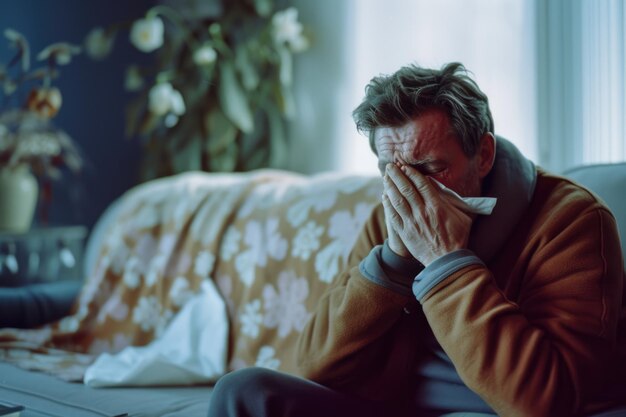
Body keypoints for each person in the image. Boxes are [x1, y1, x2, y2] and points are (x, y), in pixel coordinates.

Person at [208, 62, 626, 417]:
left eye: (429, 168)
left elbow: (543, 401)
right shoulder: (387, 215)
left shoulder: (571, 220)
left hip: (488, 410)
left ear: (482, 155)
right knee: (242, 390)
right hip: (394, 405)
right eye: (392, 171)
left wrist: (448, 261)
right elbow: (315, 365)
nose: (409, 190)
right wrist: (391, 263)